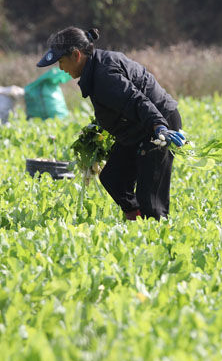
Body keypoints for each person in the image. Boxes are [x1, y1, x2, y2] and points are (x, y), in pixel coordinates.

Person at [36, 27, 184, 220]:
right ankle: (135, 219)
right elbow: (117, 105)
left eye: (62, 62)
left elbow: (136, 101)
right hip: (137, 126)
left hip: (157, 123)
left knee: (150, 198)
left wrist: (159, 127)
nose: (61, 68)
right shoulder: (95, 68)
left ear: (76, 55)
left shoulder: (104, 75)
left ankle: (157, 235)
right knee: (114, 178)